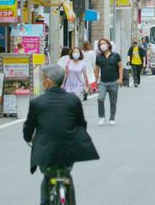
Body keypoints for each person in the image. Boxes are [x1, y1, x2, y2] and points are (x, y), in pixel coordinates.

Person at [23, 65, 100, 205]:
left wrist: (28, 139)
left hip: (45, 152)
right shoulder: (73, 100)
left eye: (42, 79)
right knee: (67, 175)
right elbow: (81, 124)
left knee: (47, 179)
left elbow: (28, 127)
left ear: (48, 82)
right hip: (69, 149)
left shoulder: (37, 102)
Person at [94, 38, 122, 125]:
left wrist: (120, 78)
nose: (102, 45)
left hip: (114, 82)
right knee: (100, 98)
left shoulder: (116, 55)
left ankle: (112, 118)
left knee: (113, 101)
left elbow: (120, 66)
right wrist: (96, 80)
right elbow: (96, 69)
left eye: (104, 43)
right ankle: (101, 116)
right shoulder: (99, 57)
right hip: (103, 82)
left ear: (108, 45)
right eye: (100, 44)